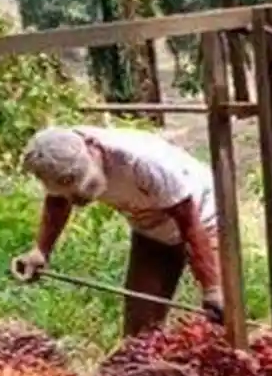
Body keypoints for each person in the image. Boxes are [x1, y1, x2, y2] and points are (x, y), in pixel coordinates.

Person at [12, 125, 223, 337]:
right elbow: (57, 202)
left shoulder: (143, 162)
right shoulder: (57, 159)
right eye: (71, 194)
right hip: (150, 227)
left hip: (203, 218)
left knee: (222, 317)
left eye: (87, 184)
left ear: (92, 148)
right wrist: (40, 251)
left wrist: (212, 287)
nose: (79, 197)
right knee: (139, 335)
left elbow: (189, 223)